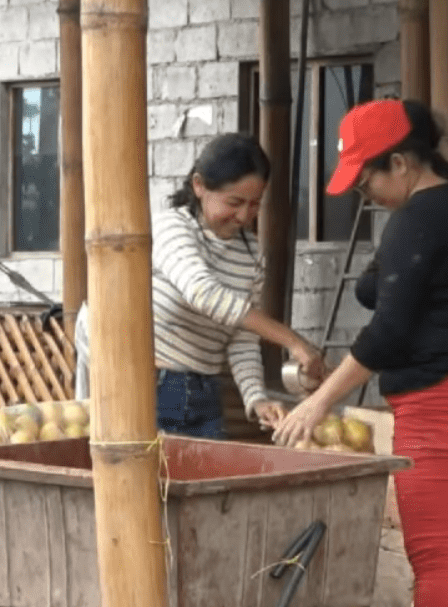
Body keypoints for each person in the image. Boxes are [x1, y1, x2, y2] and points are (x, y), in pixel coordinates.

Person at [271, 99, 448, 607]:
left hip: (443, 399)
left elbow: (389, 334)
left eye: (367, 182)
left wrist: (318, 399)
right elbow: (384, 290)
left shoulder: (420, 218)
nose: (366, 197)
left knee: (433, 560)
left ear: (400, 163)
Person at [73, 132, 327, 437]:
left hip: (205, 392)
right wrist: (292, 341)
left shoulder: (250, 255)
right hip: (150, 387)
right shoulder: (172, 227)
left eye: (255, 204)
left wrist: (256, 399)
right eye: (234, 202)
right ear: (199, 186)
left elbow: (242, 337)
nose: (245, 216)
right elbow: (202, 293)